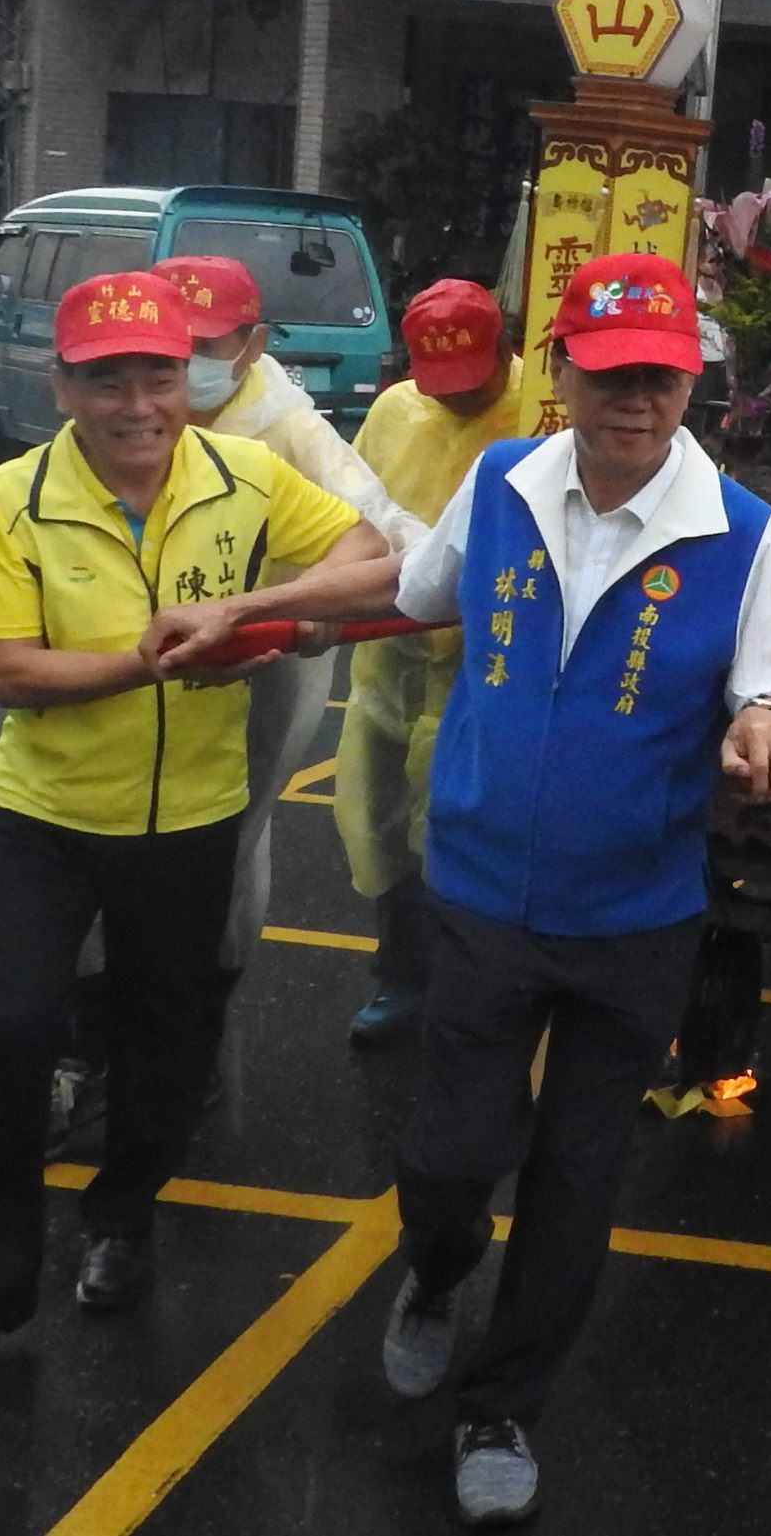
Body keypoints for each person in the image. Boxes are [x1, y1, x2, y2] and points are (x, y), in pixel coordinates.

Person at [140, 253, 771, 1530]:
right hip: (486, 892)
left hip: (634, 914)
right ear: (560, 372)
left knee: (577, 1179)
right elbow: (403, 585)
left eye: (661, 377)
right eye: (610, 375)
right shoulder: (503, 483)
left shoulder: (739, 530)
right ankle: (437, 1268)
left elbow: (765, 681)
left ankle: (502, 1406)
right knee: (449, 1158)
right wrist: (253, 607)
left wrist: (769, 717)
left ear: (691, 384)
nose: (636, 400)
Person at [0, 271, 384, 1385]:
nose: (138, 405)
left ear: (192, 378)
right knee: (16, 1027)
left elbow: (367, 552)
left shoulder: (245, 474)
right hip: (47, 815)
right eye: (107, 380)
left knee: (166, 1036)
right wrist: (152, 660)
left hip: (192, 819)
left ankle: (123, 1219)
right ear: (63, 386)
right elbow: (13, 673)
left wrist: (271, 614)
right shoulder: (12, 498)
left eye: (158, 376)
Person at [333, 279, 525, 1047]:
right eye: (438, 382)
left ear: (506, 351)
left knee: (459, 833)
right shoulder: (393, 411)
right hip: (392, 653)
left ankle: (465, 993)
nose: (454, 397)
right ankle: (401, 977)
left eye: (471, 380)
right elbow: (355, 514)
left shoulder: (538, 413)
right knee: (379, 819)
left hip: (483, 665)